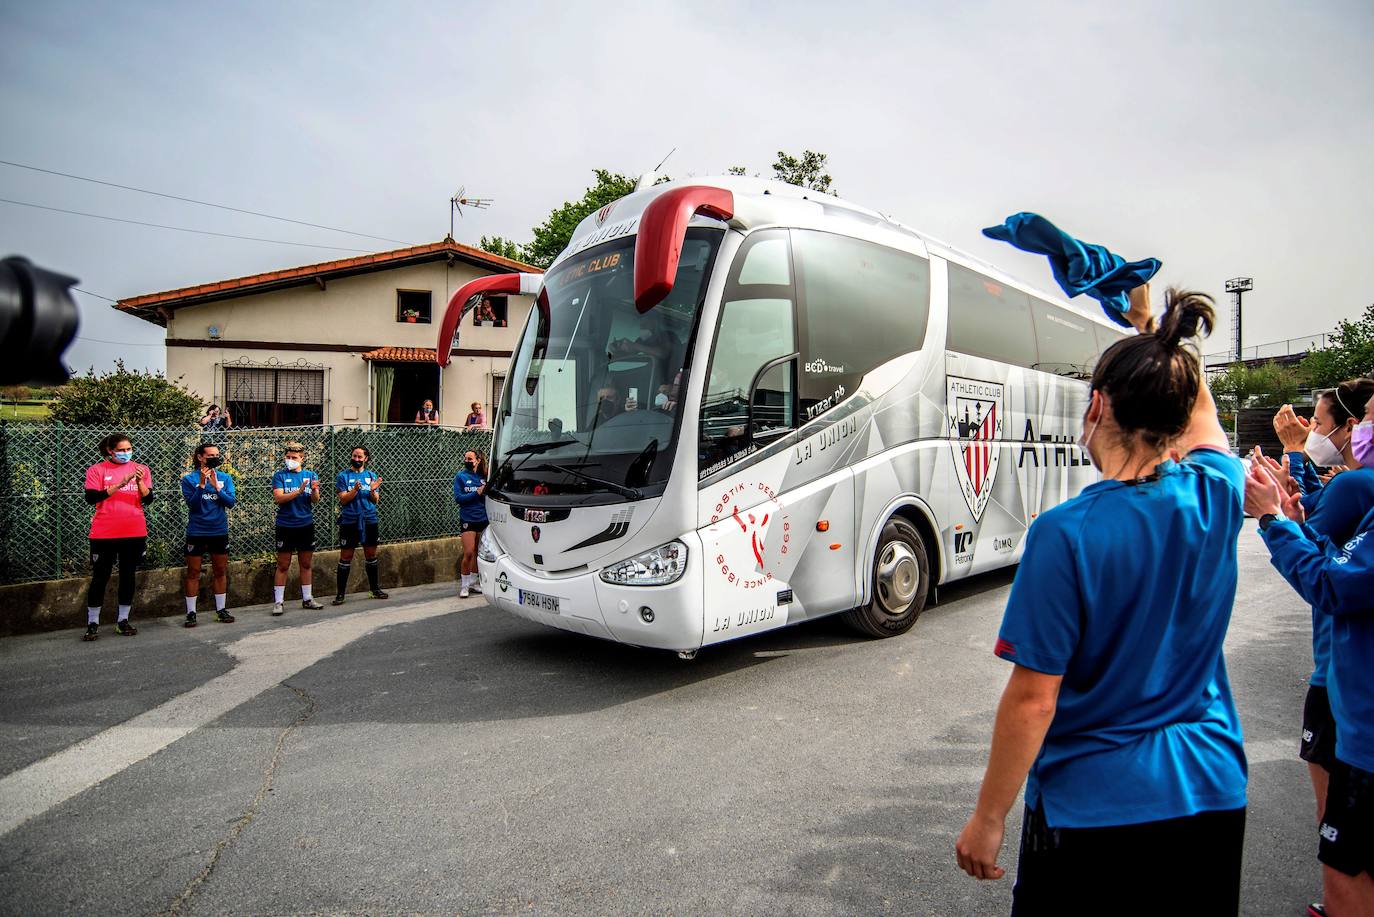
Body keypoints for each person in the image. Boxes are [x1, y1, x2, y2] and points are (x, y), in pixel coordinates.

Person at [955, 287, 1249, 913]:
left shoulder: (1066, 533)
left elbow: (1035, 699)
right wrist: (1152, 333)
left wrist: (988, 816)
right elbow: (1203, 417)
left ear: (1096, 406)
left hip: (1096, 807)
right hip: (1212, 789)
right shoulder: (1217, 492)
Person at [1247, 389, 1374, 917]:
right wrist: (1295, 517)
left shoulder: (1356, 484)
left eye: (1368, 417)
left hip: (1360, 724)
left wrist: (1276, 520)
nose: (1365, 427)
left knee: (1345, 868)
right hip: (1348, 695)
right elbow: (1337, 558)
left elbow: (1334, 584)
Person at [82, 433, 154, 640]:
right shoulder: (97, 470)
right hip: (104, 533)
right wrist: (119, 484)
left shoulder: (142, 469)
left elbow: (148, 499)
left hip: (134, 531)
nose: (126, 453)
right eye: (121, 450)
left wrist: (139, 482)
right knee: (100, 577)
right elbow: (91, 497)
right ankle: (93, 623)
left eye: (128, 449)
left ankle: (123, 621)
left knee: (128, 576)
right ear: (110, 451)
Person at [180, 441, 236, 627]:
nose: (214, 458)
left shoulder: (225, 478)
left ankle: (220, 610)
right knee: (193, 572)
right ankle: (191, 613)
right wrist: (202, 485)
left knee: (220, 571)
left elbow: (230, 503)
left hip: (218, 531)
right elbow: (193, 505)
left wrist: (217, 488)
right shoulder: (189, 479)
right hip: (197, 531)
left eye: (216, 455)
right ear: (200, 457)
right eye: (210, 455)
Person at [270, 441, 323, 616]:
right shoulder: (279, 476)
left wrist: (314, 490)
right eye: (288, 457)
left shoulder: (310, 474)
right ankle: (278, 602)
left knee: (306, 563)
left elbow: (315, 500)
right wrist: (299, 491)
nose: (290, 460)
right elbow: (279, 498)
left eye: (294, 457)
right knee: (283, 564)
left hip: (305, 524)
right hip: (285, 525)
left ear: (302, 459)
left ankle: (308, 599)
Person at [332, 445, 388, 605]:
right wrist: (354, 490)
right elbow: (343, 499)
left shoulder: (371, 475)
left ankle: (375, 590)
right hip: (349, 521)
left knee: (371, 555)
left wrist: (372, 490)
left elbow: (375, 500)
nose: (356, 459)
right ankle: (340, 594)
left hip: (369, 519)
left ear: (366, 458)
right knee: (345, 557)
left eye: (360, 457)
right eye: (354, 456)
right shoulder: (343, 476)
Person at [453, 449, 489, 598]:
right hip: (468, 519)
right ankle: (464, 586)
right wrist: (476, 493)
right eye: (465, 458)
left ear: (478, 460)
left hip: (483, 518)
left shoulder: (484, 477)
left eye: (470, 459)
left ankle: (474, 583)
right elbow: (459, 498)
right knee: (468, 552)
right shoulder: (460, 477)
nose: (467, 461)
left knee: (477, 553)